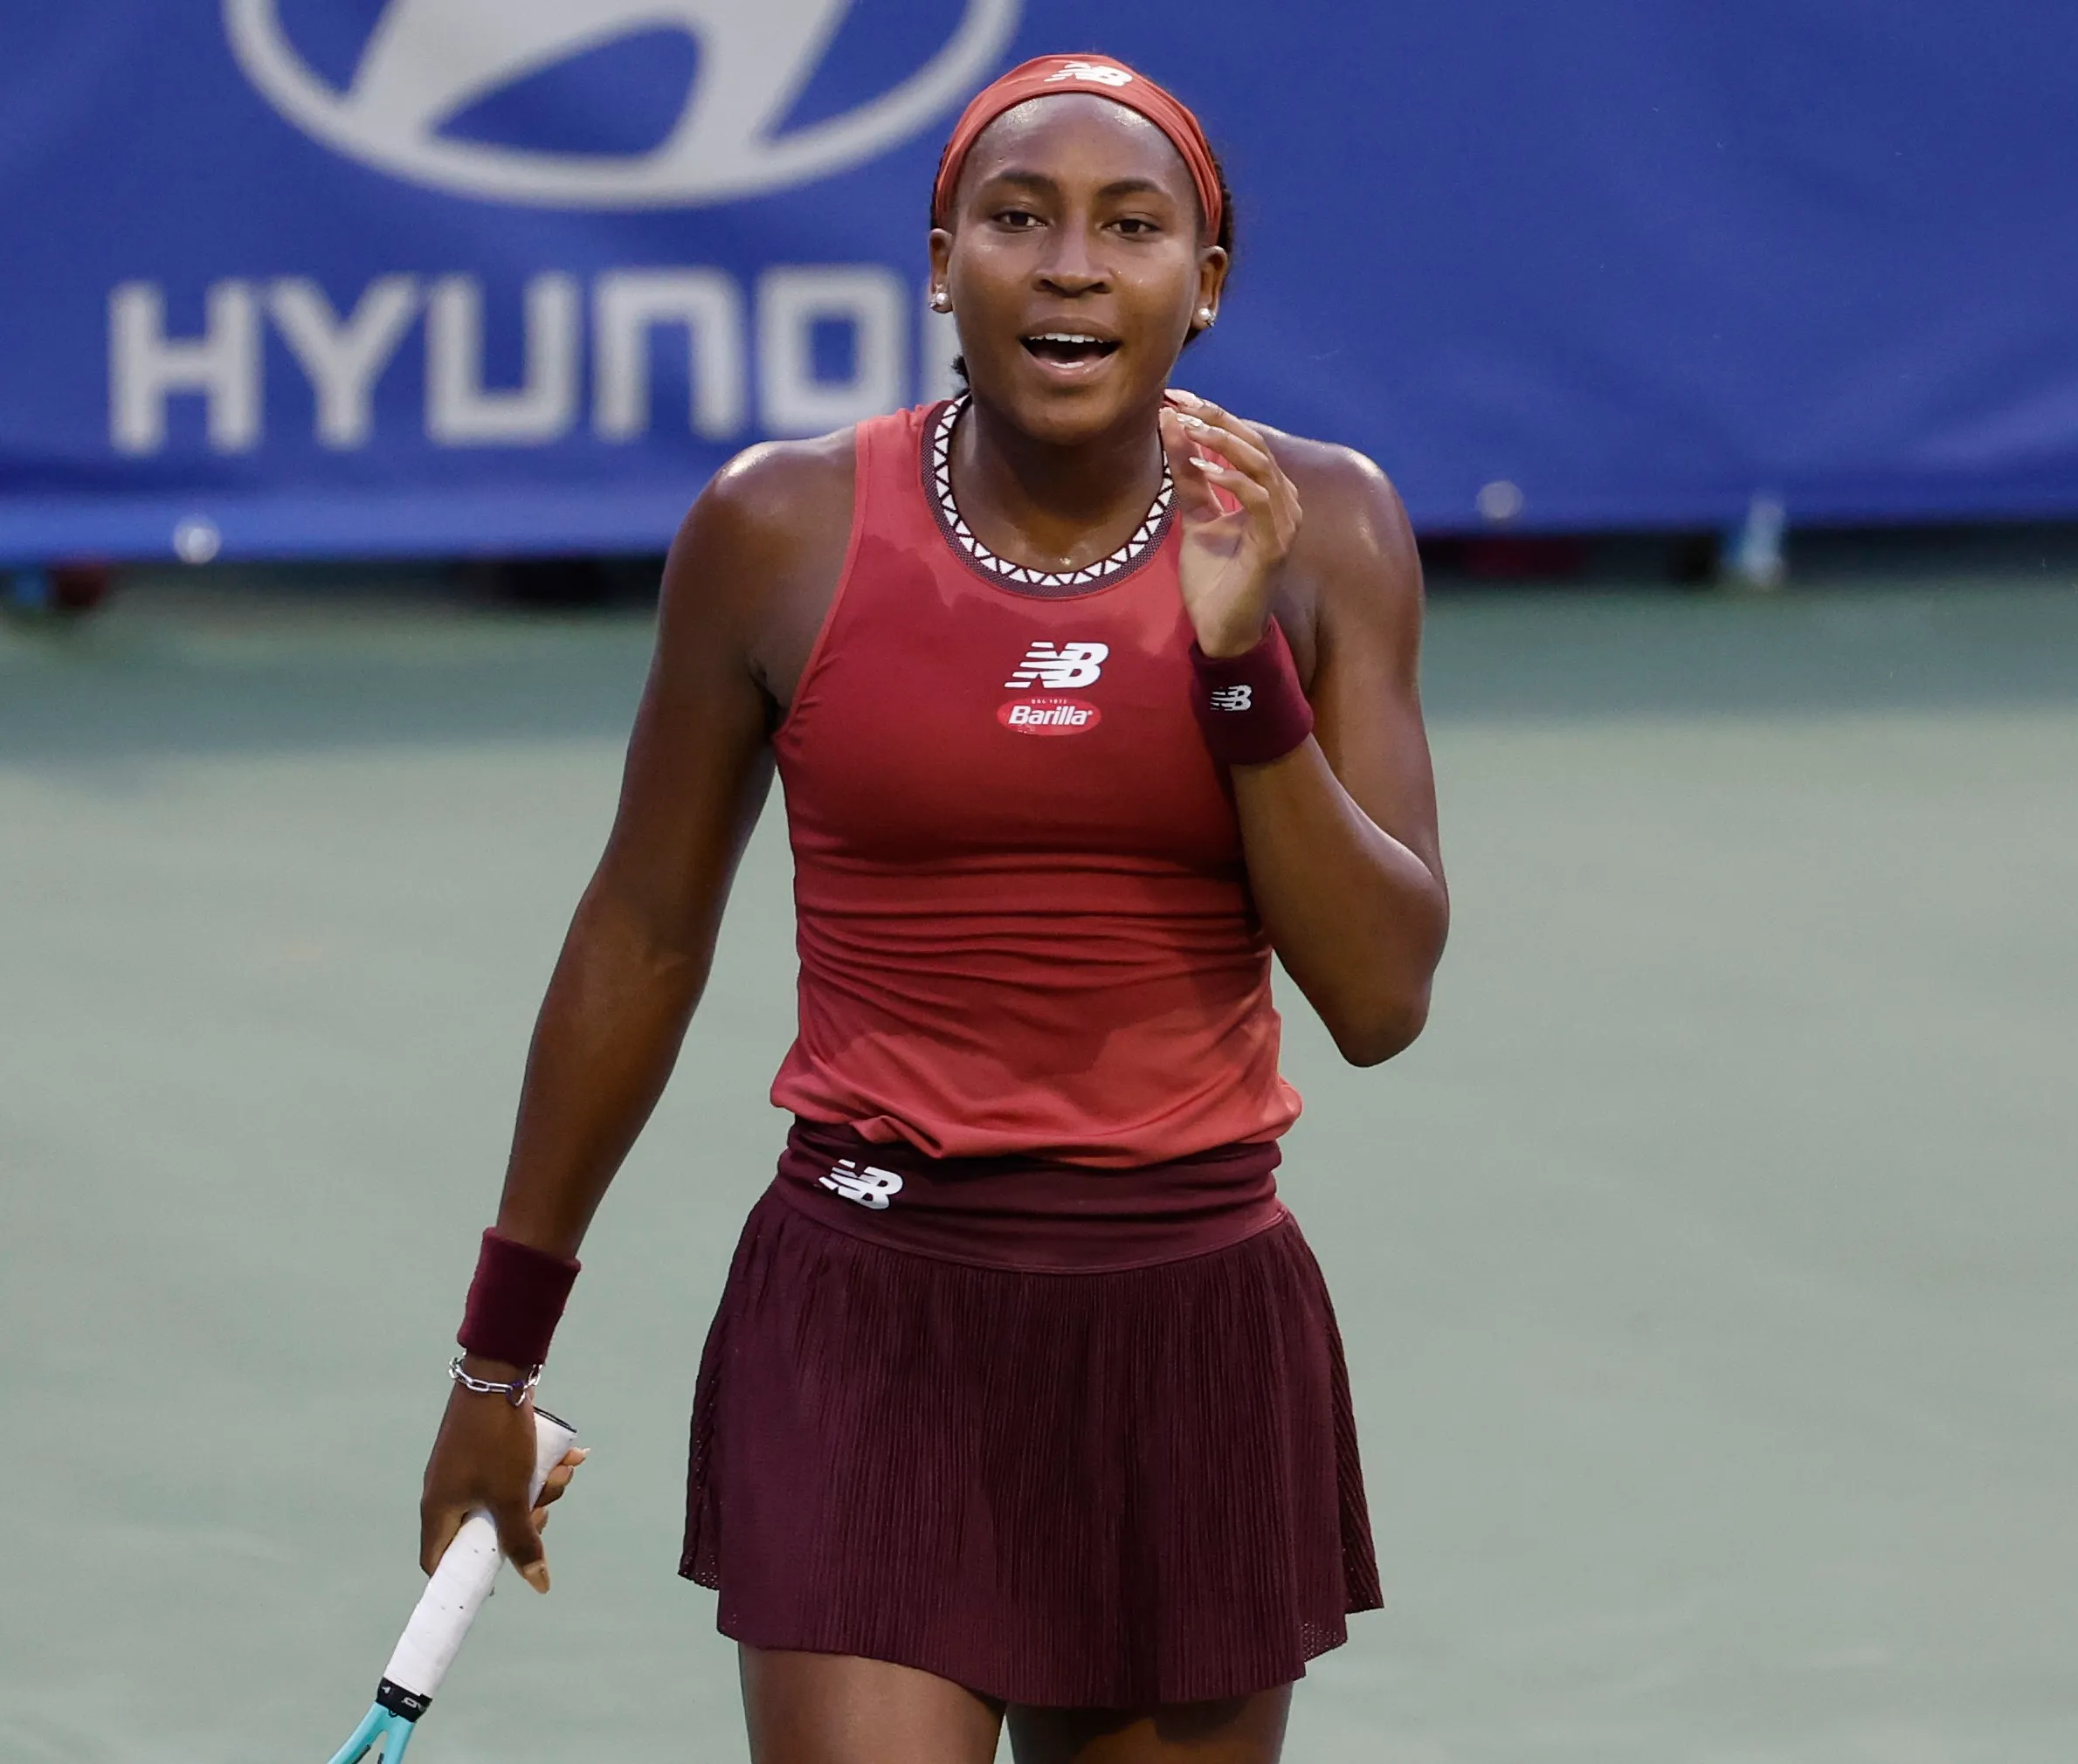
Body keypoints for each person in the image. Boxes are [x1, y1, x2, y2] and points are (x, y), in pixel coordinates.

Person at [414, 52, 1447, 1764]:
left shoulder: (1321, 527)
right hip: (868, 1309)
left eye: (1130, 227)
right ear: (938, 262)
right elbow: (642, 936)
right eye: (1017, 218)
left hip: (1186, 1328)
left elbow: (1382, 996)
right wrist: (492, 1366)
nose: (1069, 266)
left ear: (1203, 283)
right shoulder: (777, 528)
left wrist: (1237, 664)